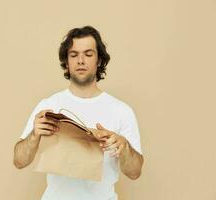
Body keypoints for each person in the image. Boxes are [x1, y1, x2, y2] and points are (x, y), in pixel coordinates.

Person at [13, 25, 144, 200]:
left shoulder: (121, 111)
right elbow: (19, 161)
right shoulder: (50, 105)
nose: (81, 60)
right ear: (66, 62)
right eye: (74, 55)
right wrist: (34, 135)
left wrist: (124, 146)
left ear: (99, 60)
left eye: (88, 54)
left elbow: (135, 172)